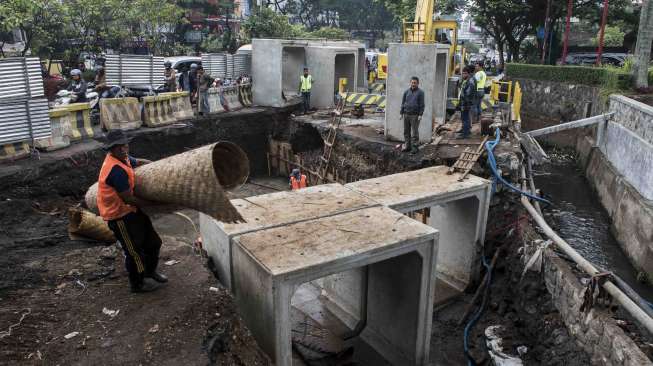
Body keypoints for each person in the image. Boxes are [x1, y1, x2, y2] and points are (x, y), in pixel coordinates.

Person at [96, 130, 167, 293]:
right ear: (111, 149)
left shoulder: (123, 158)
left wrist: (158, 166)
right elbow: (128, 198)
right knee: (135, 253)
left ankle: (150, 272)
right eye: (118, 147)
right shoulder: (115, 170)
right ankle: (137, 284)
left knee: (154, 243)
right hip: (119, 216)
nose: (123, 149)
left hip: (131, 210)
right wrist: (152, 204)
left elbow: (136, 161)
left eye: (124, 145)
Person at [400, 76, 425, 154]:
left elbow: (422, 105)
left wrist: (420, 114)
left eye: (415, 83)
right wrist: (401, 113)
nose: (413, 84)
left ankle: (415, 147)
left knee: (414, 132)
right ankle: (407, 146)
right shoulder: (406, 92)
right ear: (410, 83)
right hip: (406, 114)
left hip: (415, 115)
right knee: (406, 131)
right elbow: (403, 103)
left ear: (418, 83)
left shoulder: (420, 93)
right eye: (412, 82)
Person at [458, 66, 477, 139]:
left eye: (465, 73)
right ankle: (464, 130)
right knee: (463, 117)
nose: (463, 75)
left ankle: (465, 134)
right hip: (463, 102)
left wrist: (464, 101)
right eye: (463, 73)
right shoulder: (465, 80)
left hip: (466, 102)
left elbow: (468, 94)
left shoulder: (470, 82)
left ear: (468, 74)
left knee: (465, 118)